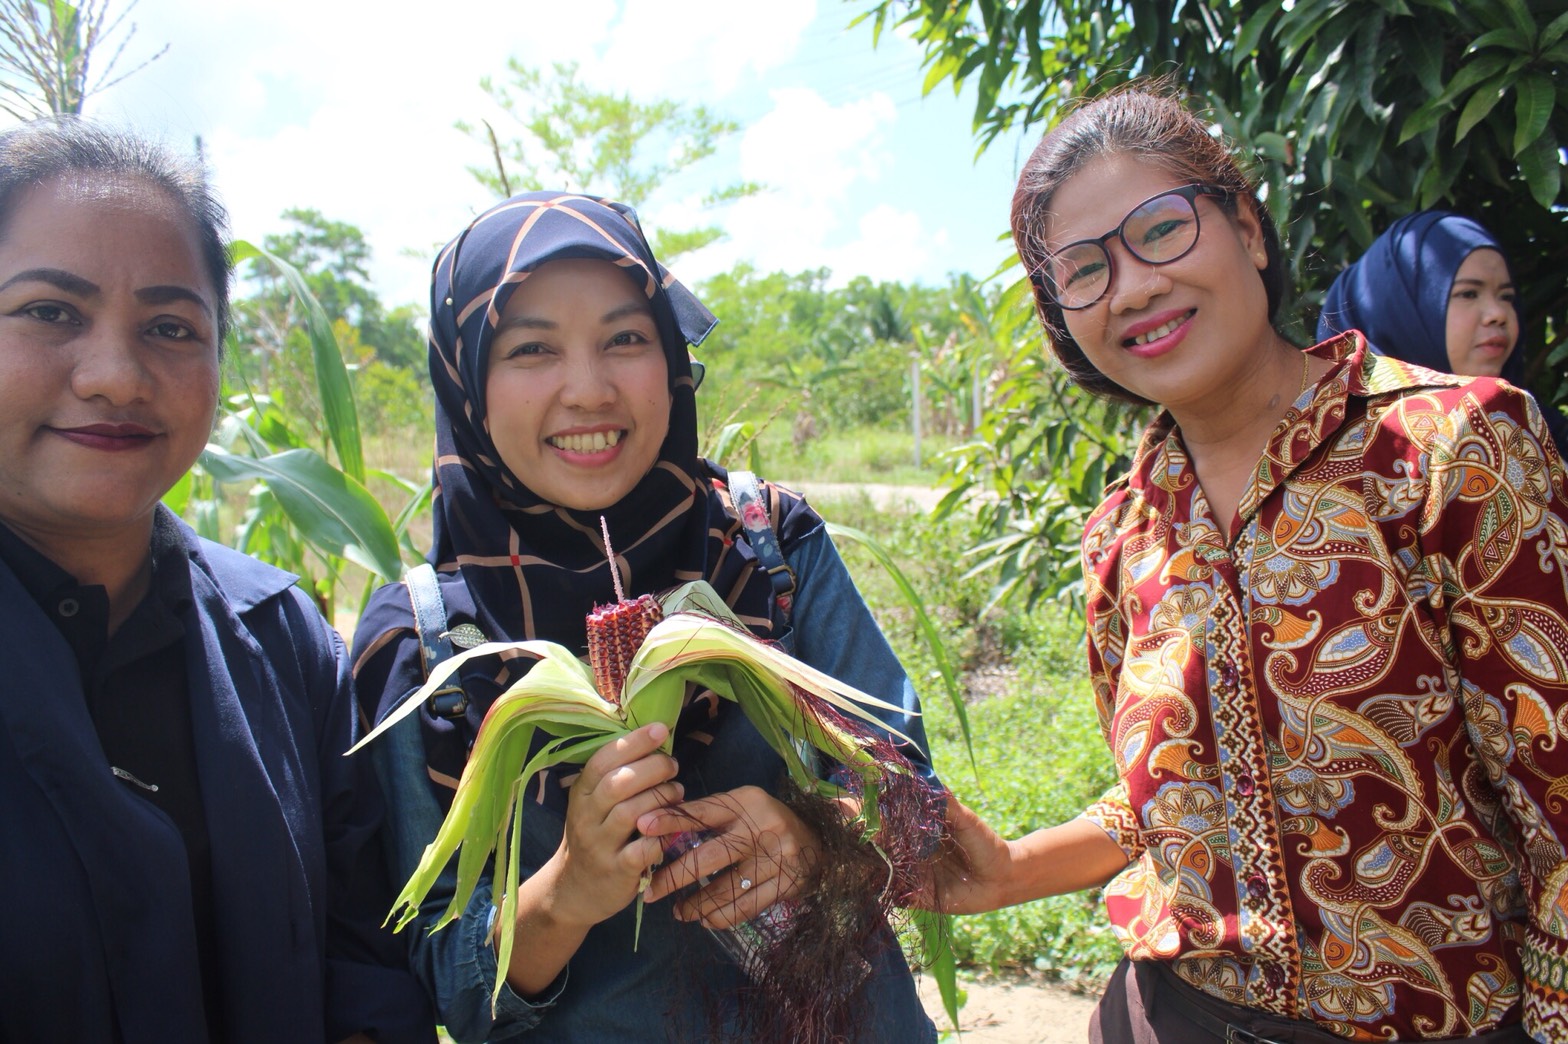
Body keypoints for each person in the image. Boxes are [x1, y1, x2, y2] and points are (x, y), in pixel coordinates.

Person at [928, 87, 1568, 1042]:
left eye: (1160, 229)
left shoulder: (1450, 449)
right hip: (1165, 1017)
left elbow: (1555, 798)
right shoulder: (1121, 537)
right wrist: (1011, 869)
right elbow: (1170, 803)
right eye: (1085, 269)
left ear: (1248, 230)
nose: (1134, 287)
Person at [351, 190, 938, 1042]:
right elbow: (447, 985)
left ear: (670, 357)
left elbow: (916, 802)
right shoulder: (431, 649)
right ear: (465, 382)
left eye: (626, 338)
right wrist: (566, 891)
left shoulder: (767, 550)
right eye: (531, 349)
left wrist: (816, 838)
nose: (588, 390)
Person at [0, 118, 433, 1043]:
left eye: (169, 327)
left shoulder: (284, 638)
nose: (116, 376)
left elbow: (362, 960)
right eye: (49, 312)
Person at [1316, 210, 1568, 457]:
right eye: (1468, 293)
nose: (1498, 314)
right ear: (1402, 314)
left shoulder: (1546, 439)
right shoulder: (1339, 457)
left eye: (1506, 296)